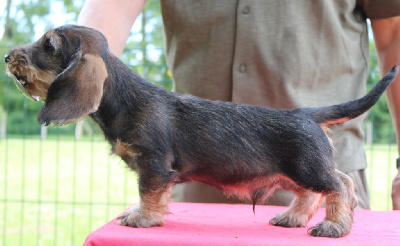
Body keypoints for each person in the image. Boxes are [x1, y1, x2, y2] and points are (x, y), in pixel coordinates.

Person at [77, 0, 400, 210]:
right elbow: (110, 10)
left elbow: (394, 34)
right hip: (196, 172)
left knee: (328, 189)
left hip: (319, 154)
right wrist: (77, 67)